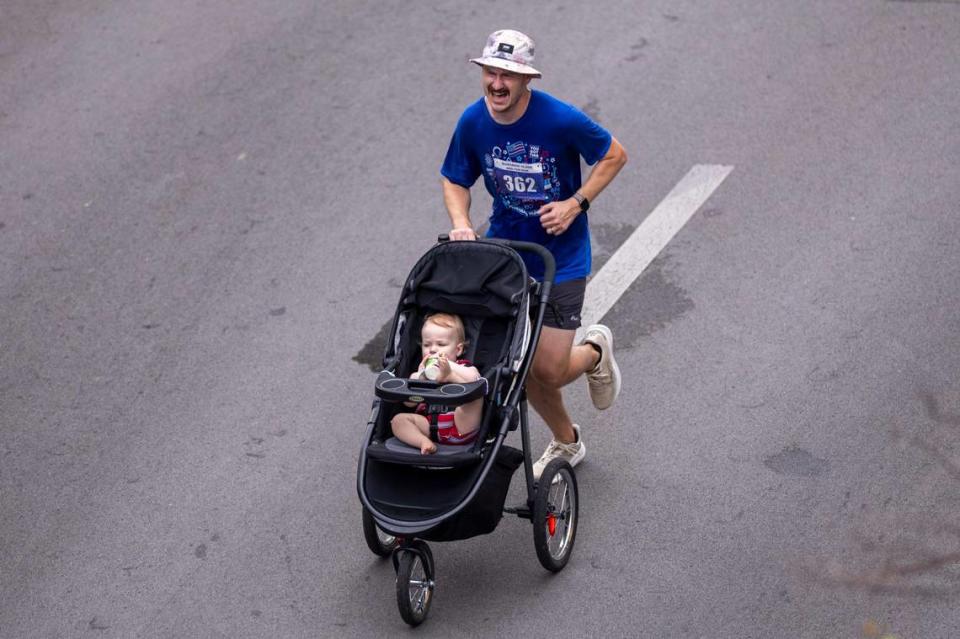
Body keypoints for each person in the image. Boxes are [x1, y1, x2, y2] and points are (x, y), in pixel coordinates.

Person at [440, 29, 627, 478]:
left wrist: (575, 203)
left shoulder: (559, 119)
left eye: (509, 75)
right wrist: (463, 224)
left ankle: (595, 354)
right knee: (517, 366)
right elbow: (454, 179)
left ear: (528, 80)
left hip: (560, 259)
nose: (498, 84)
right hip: (506, 255)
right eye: (491, 72)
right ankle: (567, 440)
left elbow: (614, 155)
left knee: (551, 369)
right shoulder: (473, 121)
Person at [391, 313, 484, 454]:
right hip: (428, 426)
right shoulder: (421, 373)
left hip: (460, 425)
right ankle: (422, 442)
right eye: (427, 344)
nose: (433, 349)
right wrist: (420, 378)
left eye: (441, 344)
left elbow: (474, 377)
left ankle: (449, 377)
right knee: (398, 421)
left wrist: (450, 369)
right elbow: (408, 403)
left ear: (458, 349)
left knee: (476, 394)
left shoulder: (462, 367)